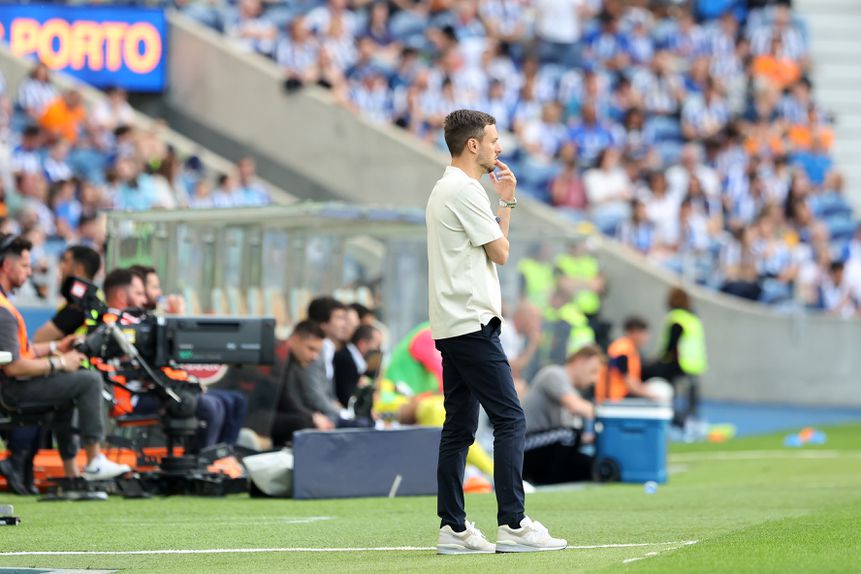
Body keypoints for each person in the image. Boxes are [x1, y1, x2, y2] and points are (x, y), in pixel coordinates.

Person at [427, 109, 566, 555]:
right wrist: (506, 200)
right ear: (473, 145)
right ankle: (514, 522)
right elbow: (501, 252)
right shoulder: (464, 191)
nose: (498, 147)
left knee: (460, 428)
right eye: (493, 140)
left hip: (454, 324)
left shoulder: (445, 188)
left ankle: (453, 528)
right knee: (511, 418)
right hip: (471, 323)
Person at [0, 235, 131, 486]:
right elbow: (14, 366)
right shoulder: (3, 310)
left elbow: (22, 350)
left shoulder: (6, 305)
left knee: (72, 386)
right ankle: (94, 461)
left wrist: (55, 347)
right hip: (11, 390)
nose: (30, 273)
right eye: (26, 266)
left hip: (12, 384)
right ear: (8, 267)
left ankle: (72, 476)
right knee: (89, 381)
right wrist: (60, 362)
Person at [521, 345, 602, 485]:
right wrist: (604, 413)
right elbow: (576, 407)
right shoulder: (554, 374)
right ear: (579, 361)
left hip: (546, 446)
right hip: (524, 446)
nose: (595, 379)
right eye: (593, 371)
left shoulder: (573, 391)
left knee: (587, 465)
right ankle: (548, 482)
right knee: (570, 433)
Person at [642, 287, 707, 425]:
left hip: (681, 363)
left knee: (648, 372)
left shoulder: (677, 318)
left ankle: (668, 414)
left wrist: (658, 359)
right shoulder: (693, 317)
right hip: (696, 364)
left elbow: (672, 345)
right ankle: (690, 418)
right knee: (691, 394)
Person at [271, 321, 334, 446]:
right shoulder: (278, 357)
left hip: (273, 414)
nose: (314, 356)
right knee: (303, 423)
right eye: (311, 349)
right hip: (260, 416)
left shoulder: (292, 361)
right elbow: (285, 398)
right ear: (294, 339)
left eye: (317, 352)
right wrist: (312, 417)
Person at [33, 245, 101, 342]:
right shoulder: (96, 297)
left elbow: (40, 338)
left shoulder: (79, 304)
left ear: (79, 269)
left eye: (65, 261)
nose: (60, 267)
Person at [595, 316, 660, 403]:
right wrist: (647, 393)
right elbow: (626, 378)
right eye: (644, 333)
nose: (646, 337)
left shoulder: (630, 349)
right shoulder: (622, 349)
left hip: (619, 397)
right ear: (634, 332)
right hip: (614, 398)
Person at [332, 324, 382, 406]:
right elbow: (348, 399)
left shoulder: (351, 360)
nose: (378, 351)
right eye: (377, 346)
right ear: (362, 344)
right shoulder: (345, 361)